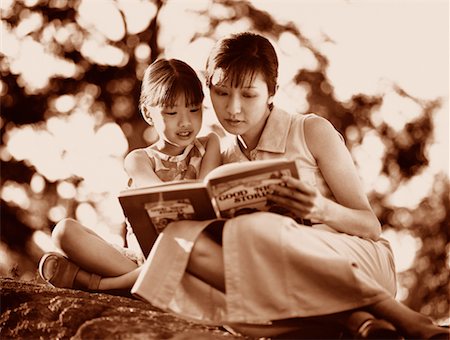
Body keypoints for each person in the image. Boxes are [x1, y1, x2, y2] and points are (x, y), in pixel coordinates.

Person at [131, 32, 449, 339]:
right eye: (222, 93)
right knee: (180, 240)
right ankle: (352, 319)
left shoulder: (310, 131)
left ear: (272, 91)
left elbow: (370, 226)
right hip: (277, 270)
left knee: (256, 229)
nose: (233, 108)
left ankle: (388, 312)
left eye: (249, 94)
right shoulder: (221, 156)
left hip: (352, 260)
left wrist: (320, 208)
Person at [38, 58, 221, 292]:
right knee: (64, 231)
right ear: (148, 113)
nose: (186, 121)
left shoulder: (210, 145)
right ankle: (145, 283)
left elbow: (201, 196)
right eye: (172, 112)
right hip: (142, 259)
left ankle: (101, 285)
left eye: (194, 109)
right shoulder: (139, 159)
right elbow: (163, 198)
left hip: (193, 255)